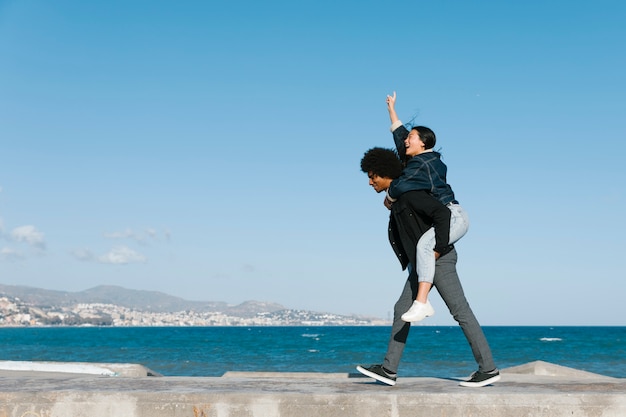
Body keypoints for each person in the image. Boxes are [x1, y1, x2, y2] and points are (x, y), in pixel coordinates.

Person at [356, 147, 500, 388]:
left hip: (438, 260)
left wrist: (438, 249)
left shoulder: (411, 195)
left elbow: (442, 213)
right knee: (402, 307)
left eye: (373, 176)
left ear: (385, 173)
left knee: (460, 311)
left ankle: (488, 369)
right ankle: (388, 369)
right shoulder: (399, 198)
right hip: (421, 263)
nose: (370, 182)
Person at [384, 92, 470, 323]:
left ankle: (422, 303)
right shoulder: (420, 159)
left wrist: (390, 198)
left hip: (453, 217)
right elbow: (400, 135)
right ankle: (421, 302)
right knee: (424, 252)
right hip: (447, 218)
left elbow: (401, 184)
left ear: (423, 142)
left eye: (411, 137)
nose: (406, 140)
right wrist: (391, 109)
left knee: (424, 246)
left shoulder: (425, 163)